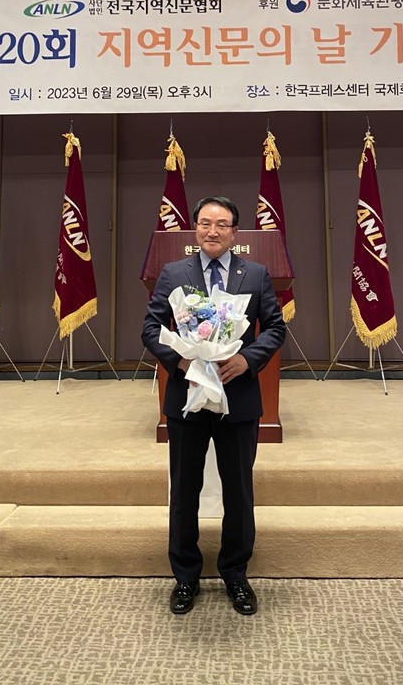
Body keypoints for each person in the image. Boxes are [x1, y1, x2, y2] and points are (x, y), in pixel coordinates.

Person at [141, 195, 285, 616]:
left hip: (237, 398)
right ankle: (185, 576)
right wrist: (180, 360)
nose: (212, 231)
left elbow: (275, 328)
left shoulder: (255, 274)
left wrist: (248, 359)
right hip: (187, 398)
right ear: (195, 228)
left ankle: (235, 574)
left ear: (235, 233)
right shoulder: (174, 273)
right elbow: (151, 328)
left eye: (222, 224)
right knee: (184, 490)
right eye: (205, 223)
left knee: (238, 490)